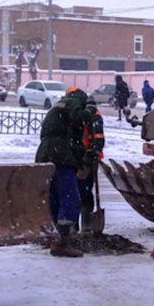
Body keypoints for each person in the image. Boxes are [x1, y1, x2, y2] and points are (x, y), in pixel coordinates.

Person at [36, 87, 91, 257]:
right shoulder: (74, 103)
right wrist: (90, 109)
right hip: (61, 156)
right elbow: (81, 119)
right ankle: (61, 242)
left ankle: (52, 237)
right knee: (70, 198)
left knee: (54, 197)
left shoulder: (58, 106)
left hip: (45, 154)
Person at [78, 98, 106, 225]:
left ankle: (86, 222)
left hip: (88, 159)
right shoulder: (87, 116)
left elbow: (99, 139)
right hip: (81, 157)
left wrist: (91, 154)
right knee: (83, 190)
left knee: (84, 190)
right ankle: (84, 223)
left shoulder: (94, 118)